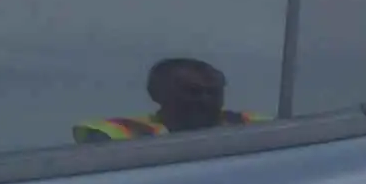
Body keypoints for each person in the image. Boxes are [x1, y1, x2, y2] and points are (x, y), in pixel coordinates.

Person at [73, 57, 260, 142]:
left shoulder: (253, 125)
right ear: (156, 94)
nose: (205, 100)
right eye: (192, 92)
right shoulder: (117, 135)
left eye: (213, 92)